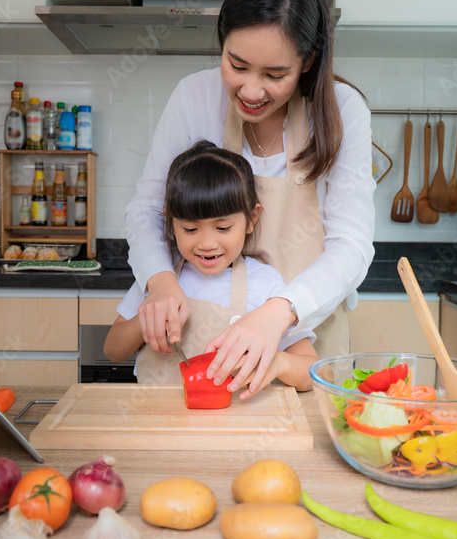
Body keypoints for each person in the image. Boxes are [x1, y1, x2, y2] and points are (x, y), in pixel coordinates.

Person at [123, 0, 375, 398]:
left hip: (303, 339)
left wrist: (277, 313)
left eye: (275, 75)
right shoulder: (193, 97)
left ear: (309, 61)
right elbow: (147, 209)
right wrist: (160, 283)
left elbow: (351, 244)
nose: (252, 91)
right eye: (237, 66)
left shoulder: (342, 109)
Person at [105, 140, 318, 394]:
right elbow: (113, 351)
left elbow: (312, 372)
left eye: (223, 228)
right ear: (170, 223)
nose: (207, 243)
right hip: (158, 426)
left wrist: (278, 361)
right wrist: (148, 318)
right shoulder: (161, 277)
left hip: (234, 431)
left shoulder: (266, 284)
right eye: (190, 229)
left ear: (252, 219)